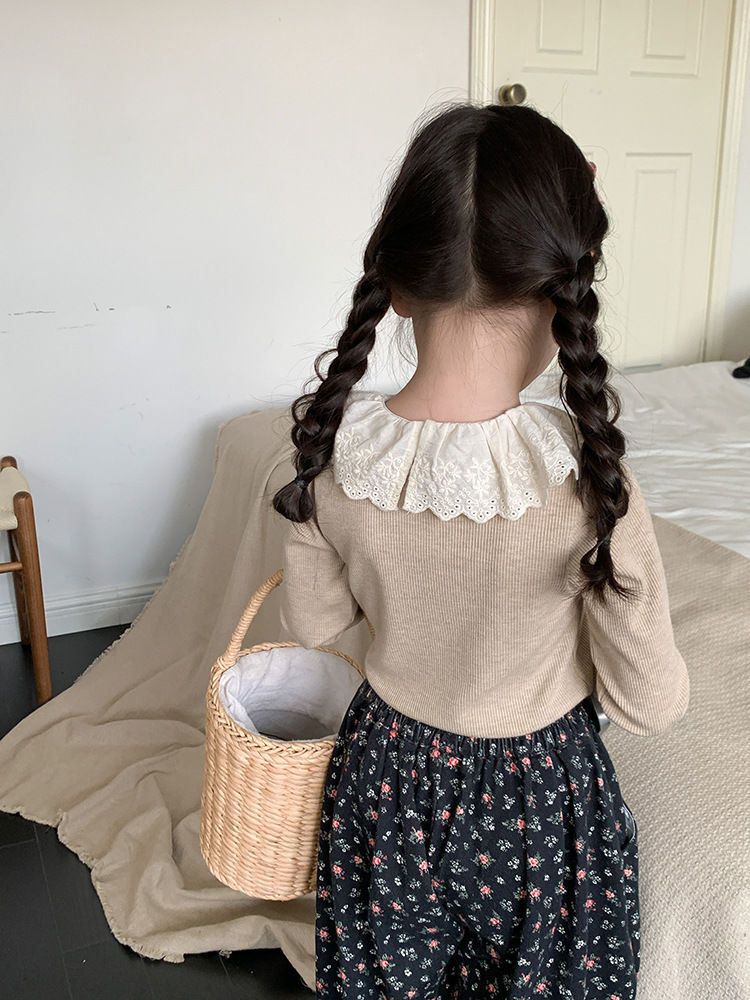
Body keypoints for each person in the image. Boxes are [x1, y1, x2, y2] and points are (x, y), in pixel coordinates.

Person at [271, 101, 690, 999]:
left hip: (387, 782)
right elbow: (651, 701)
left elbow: (313, 624)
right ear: (559, 289)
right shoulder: (590, 481)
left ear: (399, 283)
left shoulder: (332, 458)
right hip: (545, 806)